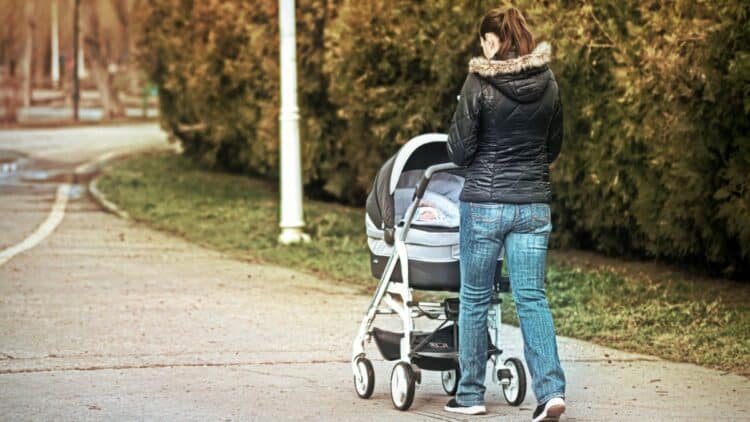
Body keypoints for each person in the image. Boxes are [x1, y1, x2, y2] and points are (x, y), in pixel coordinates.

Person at [443, 7, 566, 422]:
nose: (482, 48)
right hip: (532, 205)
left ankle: (470, 394)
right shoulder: (548, 82)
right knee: (532, 298)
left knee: (475, 298)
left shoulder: (479, 81)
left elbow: (457, 151)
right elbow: (553, 147)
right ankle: (550, 392)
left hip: (484, 206)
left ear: (493, 42)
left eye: (484, 41)